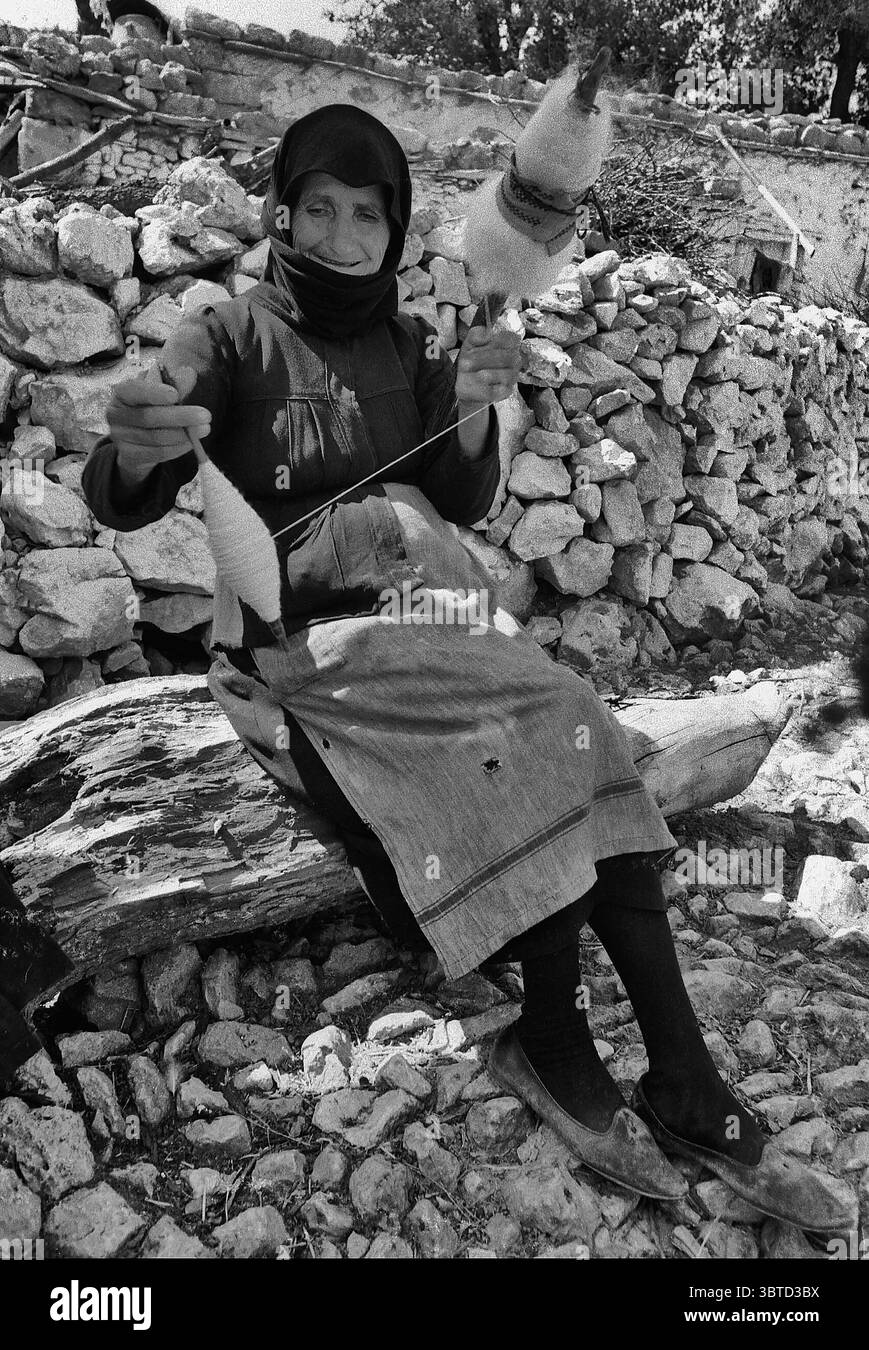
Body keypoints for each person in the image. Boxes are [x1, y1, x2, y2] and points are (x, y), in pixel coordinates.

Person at [81, 102, 854, 1232]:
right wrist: (131, 450)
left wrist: (483, 411)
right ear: (282, 211)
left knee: (575, 715)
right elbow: (127, 483)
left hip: (417, 611)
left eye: (368, 216)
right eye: (321, 208)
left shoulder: (405, 344)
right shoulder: (228, 331)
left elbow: (463, 497)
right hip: (293, 650)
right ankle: (552, 1040)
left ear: (392, 233)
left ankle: (683, 1079)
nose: (344, 236)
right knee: (508, 748)